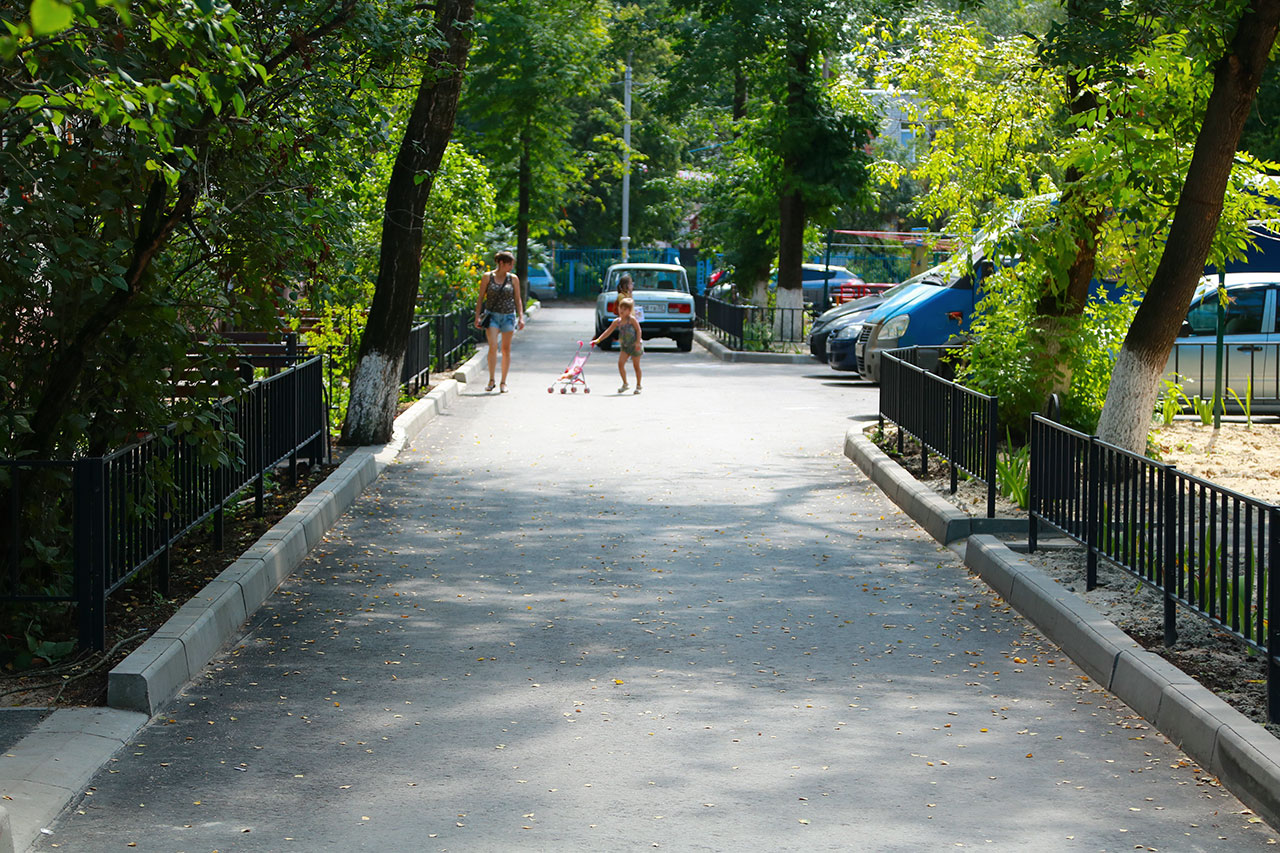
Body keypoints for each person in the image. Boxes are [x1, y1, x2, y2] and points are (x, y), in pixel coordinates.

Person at [474, 250, 525, 392]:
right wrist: (477, 316)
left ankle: (503, 382)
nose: (511, 268)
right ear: (501, 263)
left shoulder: (513, 278)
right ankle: (491, 380)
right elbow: (480, 298)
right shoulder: (487, 277)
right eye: (509, 264)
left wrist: (521, 316)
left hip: (508, 316)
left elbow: (517, 298)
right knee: (493, 346)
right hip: (492, 316)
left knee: (506, 349)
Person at [591, 296, 643, 394]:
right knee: (620, 364)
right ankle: (625, 383)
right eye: (620, 308)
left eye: (624, 309)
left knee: (636, 366)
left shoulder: (631, 320)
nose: (621, 311)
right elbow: (608, 331)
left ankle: (639, 385)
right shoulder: (617, 321)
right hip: (625, 347)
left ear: (629, 310)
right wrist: (598, 340)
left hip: (635, 346)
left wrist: (637, 342)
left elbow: (638, 330)